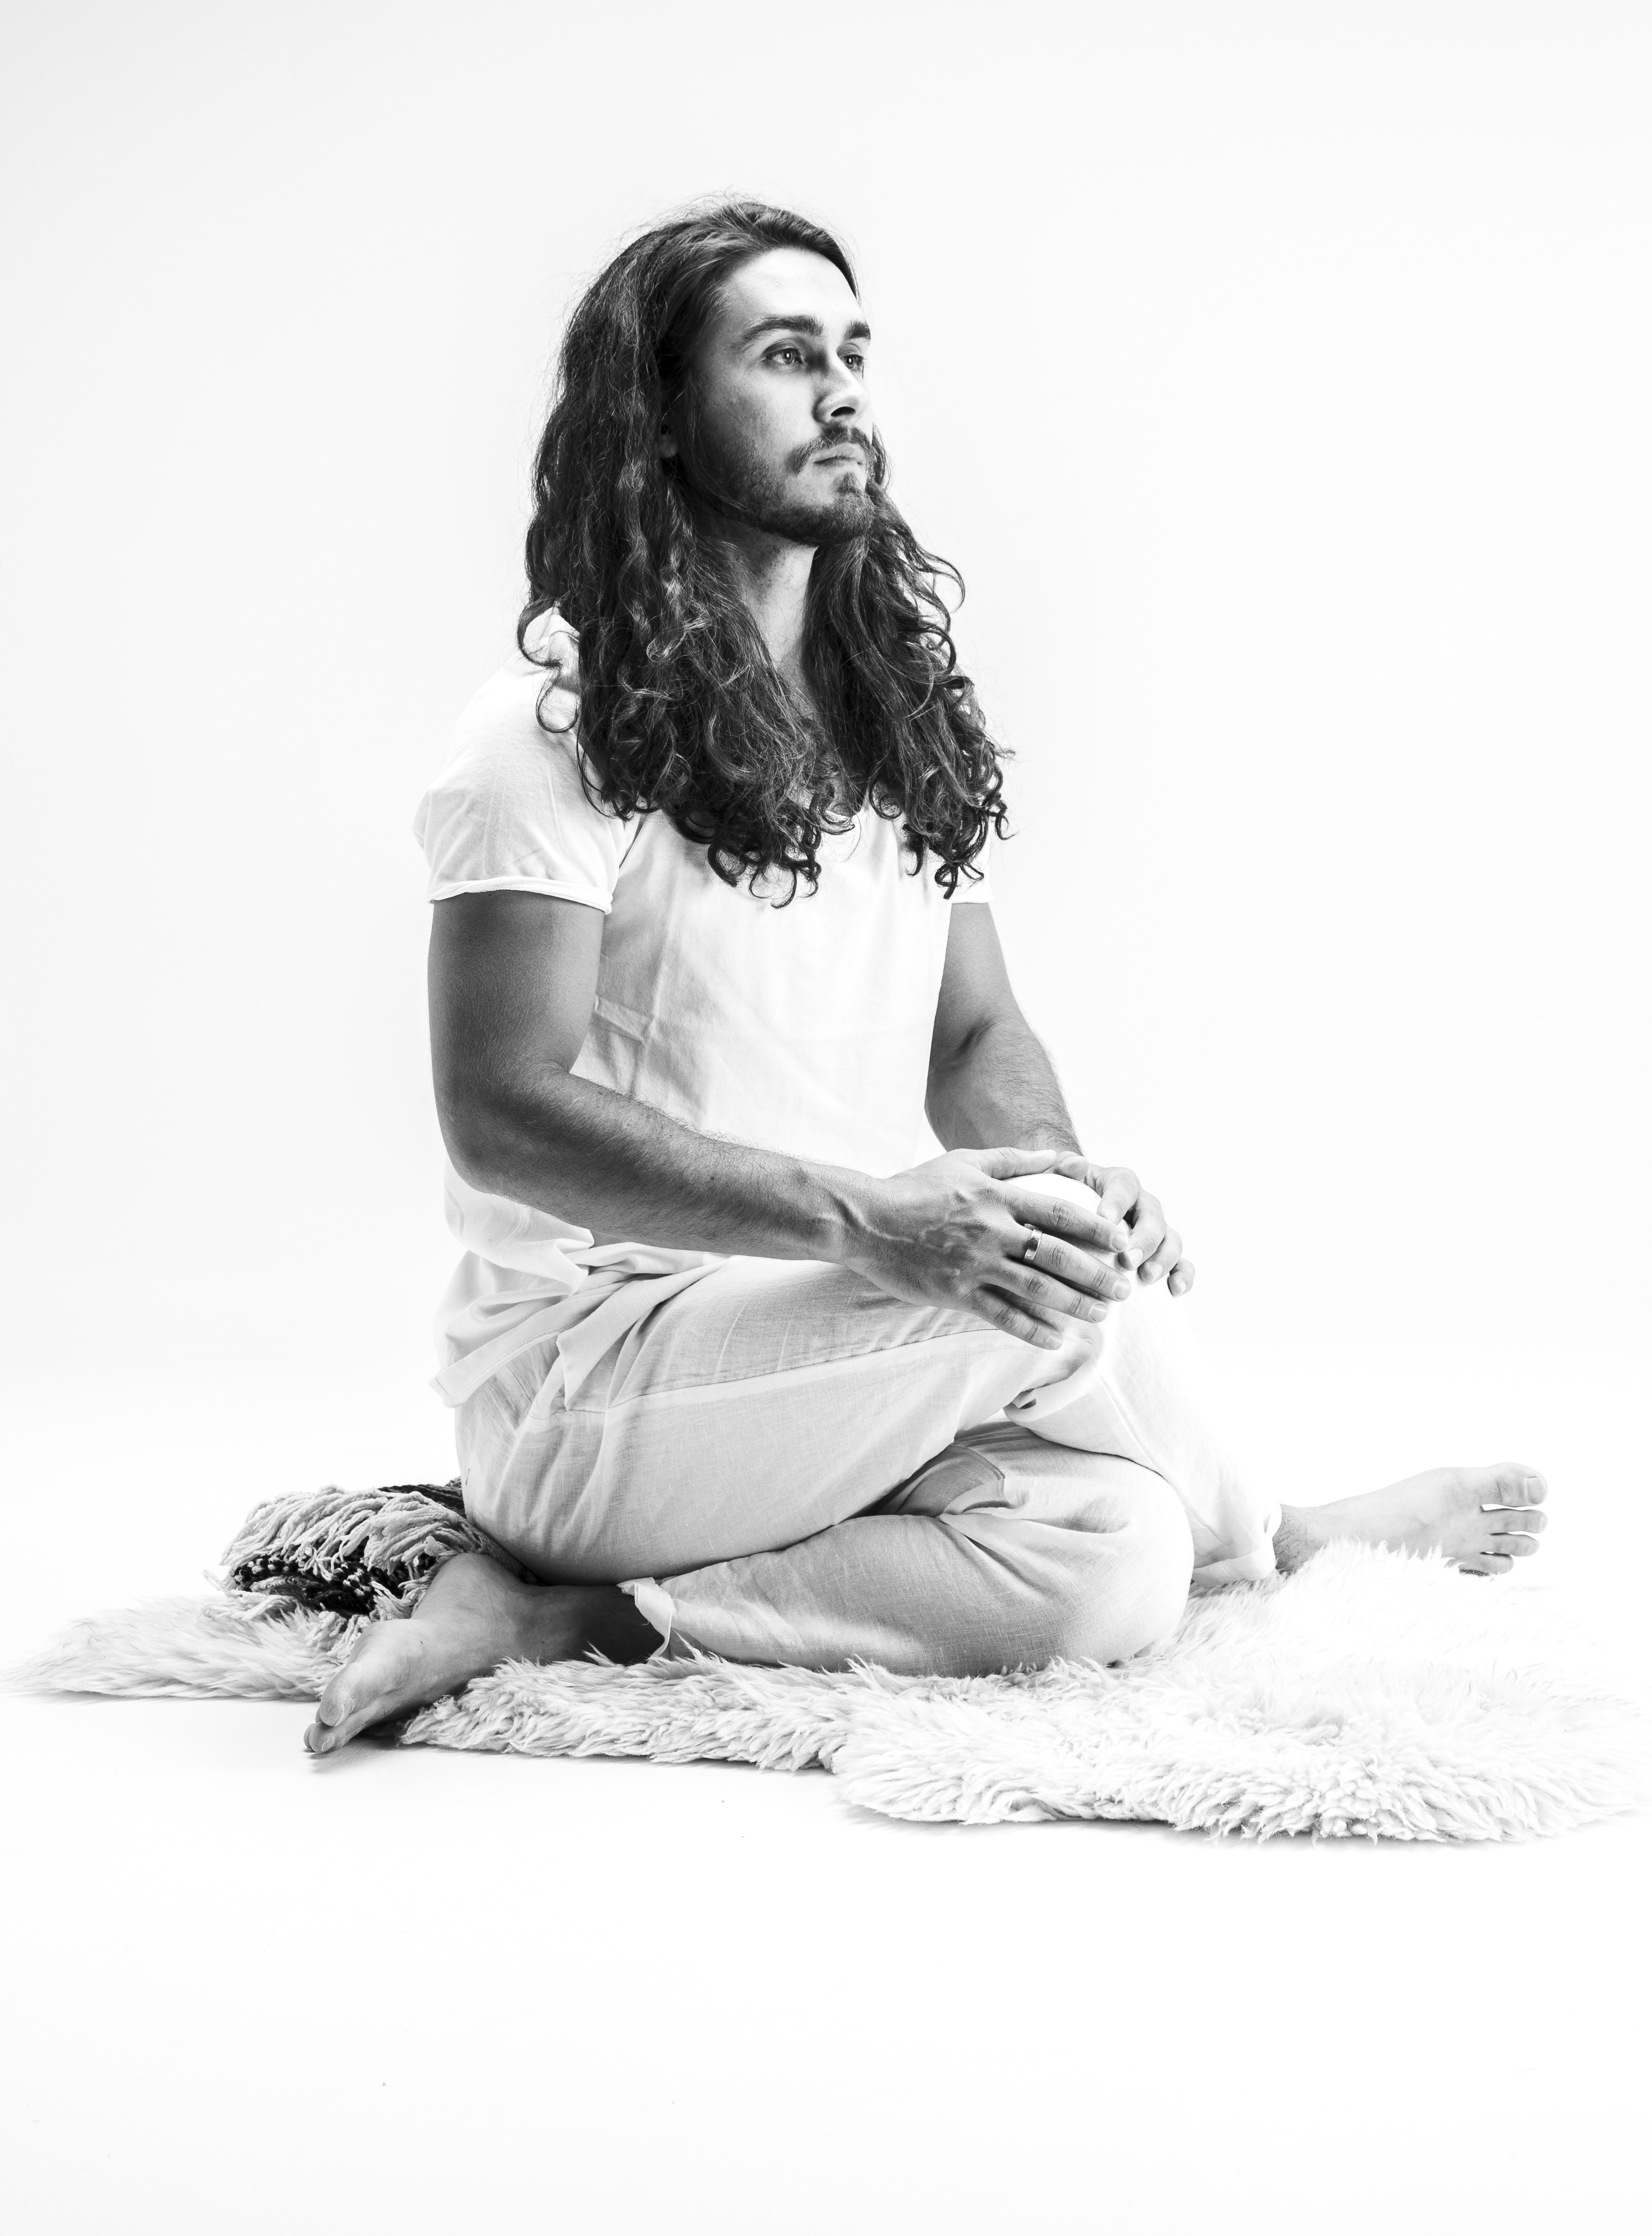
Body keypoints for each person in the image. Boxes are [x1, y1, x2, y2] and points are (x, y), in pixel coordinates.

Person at [306, 201, 1546, 1756]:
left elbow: (976, 1030)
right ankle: (1283, 1537)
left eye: (852, 353)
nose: (840, 392)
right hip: (588, 1387)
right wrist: (870, 1222)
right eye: (781, 355)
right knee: (1053, 1301)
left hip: (814, 1363)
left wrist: (1052, 1173)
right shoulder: (544, 732)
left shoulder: (887, 717)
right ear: (664, 418)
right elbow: (501, 1113)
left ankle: (573, 1618)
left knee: (1115, 1563)